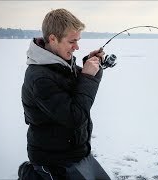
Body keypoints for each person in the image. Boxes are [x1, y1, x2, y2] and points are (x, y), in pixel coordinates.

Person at [18, 8, 111, 180]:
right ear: (53, 39)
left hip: (76, 153)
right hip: (54, 161)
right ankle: (31, 174)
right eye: (72, 42)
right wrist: (88, 77)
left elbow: (77, 84)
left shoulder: (60, 62)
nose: (77, 47)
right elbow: (74, 117)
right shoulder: (39, 78)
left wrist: (89, 65)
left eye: (78, 41)